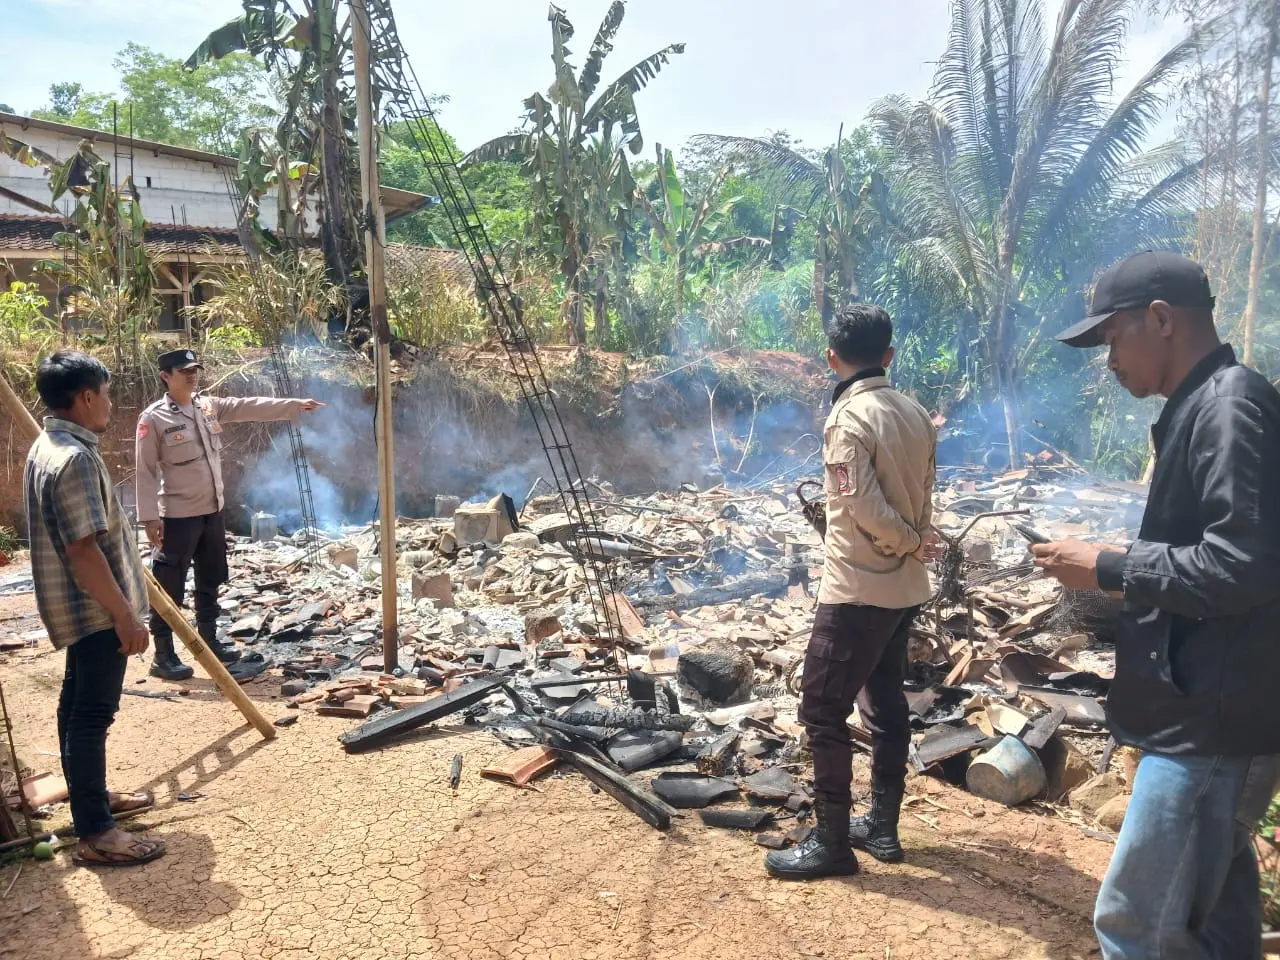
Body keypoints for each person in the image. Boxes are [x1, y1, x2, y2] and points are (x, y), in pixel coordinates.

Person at [1034, 250, 1280, 959]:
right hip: (1212, 714)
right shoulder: (1205, 405)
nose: (1107, 360)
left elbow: (1244, 565)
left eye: (1112, 338)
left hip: (1212, 724)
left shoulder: (1231, 406)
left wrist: (1108, 566)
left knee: (1135, 926)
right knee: (1217, 926)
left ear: (1162, 319)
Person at [765, 304, 940, 880]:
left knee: (821, 709)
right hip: (902, 591)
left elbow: (862, 506)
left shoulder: (849, 419)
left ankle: (832, 844)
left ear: (832, 359)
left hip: (859, 589)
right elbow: (923, 491)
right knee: (886, 703)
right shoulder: (914, 412)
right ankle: (882, 828)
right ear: (889, 355)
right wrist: (917, 541)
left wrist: (908, 540)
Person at [24, 351, 165, 866]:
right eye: (105, 394)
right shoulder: (76, 458)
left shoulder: (47, 446)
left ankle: (91, 801)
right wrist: (124, 614)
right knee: (92, 715)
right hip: (95, 610)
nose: (109, 403)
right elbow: (84, 549)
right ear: (86, 398)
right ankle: (97, 831)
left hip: (75, 607)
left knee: (74, 707)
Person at [136, 348, 325, 681]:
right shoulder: (154, 418)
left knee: (211, 577)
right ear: (166, 376)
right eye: (184, 371)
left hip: (212, 511)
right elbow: (146, 471)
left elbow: (247, 406)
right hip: (177, 516)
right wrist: (150, 518)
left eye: (194, 369)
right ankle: (163, 655)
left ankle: (209, 640)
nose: (192, 375)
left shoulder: (207, 406)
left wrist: (292, 405)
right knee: (169, 584)